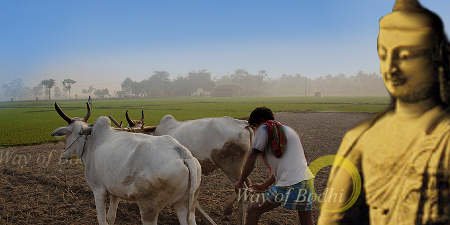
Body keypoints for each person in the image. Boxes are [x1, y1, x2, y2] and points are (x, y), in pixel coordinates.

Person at [318, 0, 450, 224]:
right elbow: (333, 218)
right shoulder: (361, 138)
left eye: (405, 55)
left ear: (436, 56)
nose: (391, 68)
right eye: (384, 55)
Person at [235, 107, 314, 225]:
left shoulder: (264, 128)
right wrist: (264, 185)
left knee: (254, 210)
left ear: (257, 123)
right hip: (306, 180)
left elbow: (252, 157)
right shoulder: (288, 130)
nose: (254, 132)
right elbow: (287, 168)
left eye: (253, 128)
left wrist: (240, 181)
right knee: (306, 220)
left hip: (289, 184)